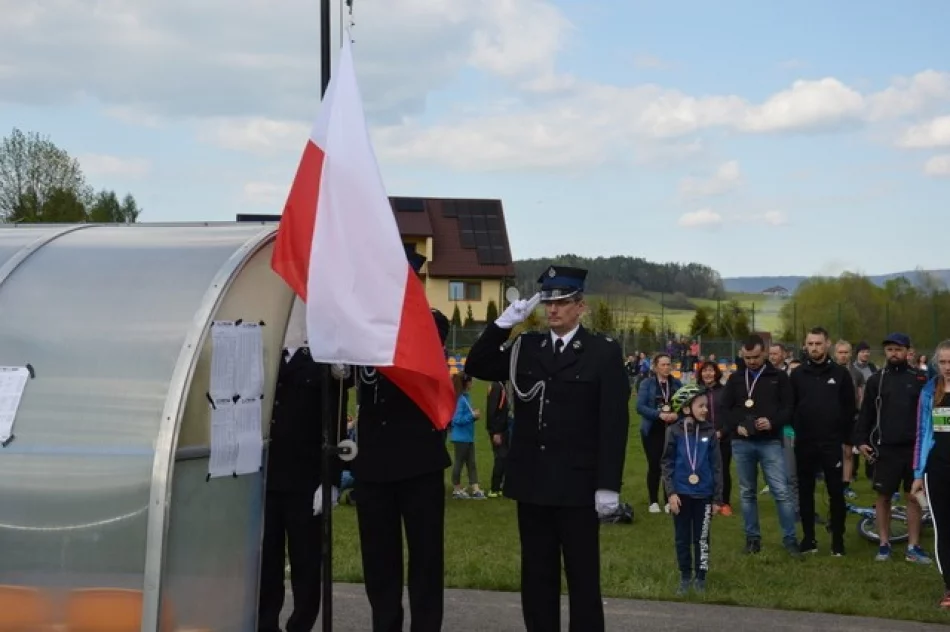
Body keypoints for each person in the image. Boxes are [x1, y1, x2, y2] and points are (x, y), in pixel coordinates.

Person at [464, 265, 630, 632]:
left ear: (580, 307)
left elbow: (614, 424)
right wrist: (502, 325)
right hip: (533, 482)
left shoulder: (602, 353)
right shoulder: (526, 346)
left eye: (562, 302)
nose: (552, 310)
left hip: (578, 486)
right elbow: (476, 364)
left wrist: (608, 485)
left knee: (583, 578)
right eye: (548, 303)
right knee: (536, 577)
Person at [350, 247, 452, 632]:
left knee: (425, 558)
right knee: (379, 560)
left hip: (418, 461)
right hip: (373, 462)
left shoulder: (432, 323)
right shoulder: (359, 329)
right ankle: (385, 625)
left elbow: (422, 335)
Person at [258, 307, 349, 632]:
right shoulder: (265, 359)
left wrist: (332, 480)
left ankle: (300, 625)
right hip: (267, 480)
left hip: (306, 481)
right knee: (266, 562)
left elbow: (336, 423)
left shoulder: (322, 364)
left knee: (306, 564)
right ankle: (265, 623)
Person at [854, 333, 932, 564]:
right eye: (889, 349)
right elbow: (866, 413)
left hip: (913, 449)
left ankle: (913, 546)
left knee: (913, 497)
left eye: (898, 349)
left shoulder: (920, 379)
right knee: (883, 496)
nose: (893, 353)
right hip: (885, 448)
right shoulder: (876, 380)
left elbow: (928, 414)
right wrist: (860, 440)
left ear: (908, 351)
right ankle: (884, 543)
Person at [720, 334, 799, 556]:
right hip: (742, 443)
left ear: (764, 352)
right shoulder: (736, 378)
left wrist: (772, 422)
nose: (752, 362)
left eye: (755, 357)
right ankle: (752, 539)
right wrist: (736, 427)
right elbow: (724, 408)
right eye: (747, 358)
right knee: (747, 493)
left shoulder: (779, 377)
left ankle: (790, 539)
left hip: (770, 442)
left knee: (781, 491)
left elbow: (788, 408)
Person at [789, 327, 856, 556]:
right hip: (805, 442)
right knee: (805, 492)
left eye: (818, 343)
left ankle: (838, 541)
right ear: (805, 345)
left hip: (832, 443)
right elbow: (792, 407)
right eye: (810, 344)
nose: (814, 348)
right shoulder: (797, 375)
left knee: (836, 493)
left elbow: (849, 409)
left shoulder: (840, 374)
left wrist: (847, 442)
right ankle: (809, 539)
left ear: (827, 344)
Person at [662, 383, 723, 596]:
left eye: (706, 406)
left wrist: (717, 499)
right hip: (680, 495)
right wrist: (671, 493)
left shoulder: (710, 433)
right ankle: (685, 576)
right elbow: (667, 464)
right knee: (682, 537)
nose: (706, 409)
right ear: (686, 408)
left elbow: (717, 467)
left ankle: (701, 577)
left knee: (702, 538)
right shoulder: (673, 431)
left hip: (704, 495)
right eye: (701, 406)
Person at [912, 340, 950, 608]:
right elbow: (922, 434)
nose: (948, 368)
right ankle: (949, 587)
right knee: (944, 529)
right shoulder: (929, 390)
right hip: (937, 468)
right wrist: (917, 473)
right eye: (944, 362)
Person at [636, 353, 682, 513]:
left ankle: (669, 499)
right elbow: (640, 407)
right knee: (654, 465)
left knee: (670, 465)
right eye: (662, 364)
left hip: (672, 429)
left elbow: (685, 405)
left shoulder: (676, 383)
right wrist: (659, 415)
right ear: (655, 367)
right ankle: (653, 501)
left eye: (668, 364)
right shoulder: (646, 384)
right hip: (652, 430)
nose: (666, 367)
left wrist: (677, 414)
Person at [699, 360, 732, 516]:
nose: (708, 373)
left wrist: (722, 432)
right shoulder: (697, 392)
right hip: (701, 438)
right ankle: (706, 501)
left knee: (722, 470)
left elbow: (730, 416)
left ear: (716, 373)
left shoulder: (725, 391)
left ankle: (724, 502)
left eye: (711, 370)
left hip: (723, 437)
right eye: (704, 370)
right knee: (703, 469)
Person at [449, 372, 485, 499]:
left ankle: (475, 488)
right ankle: (456, 488)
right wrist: (472, 416)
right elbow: (456, 420)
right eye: (471, 381)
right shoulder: (461, 399)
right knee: (459, 462)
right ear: (466, 383)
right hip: (460, 437)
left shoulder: (466, 397)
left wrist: (472, 417)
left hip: (468, 436)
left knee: (472, 463)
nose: (472, 384)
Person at [486, 380, 511, 498]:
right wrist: (495, 431)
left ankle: (501, 486)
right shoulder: (496, 387)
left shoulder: (501, 386)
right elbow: (492, 410)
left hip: (502, 428)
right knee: (501, 457)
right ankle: (494, 488)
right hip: (498, 429)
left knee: (504, 457)